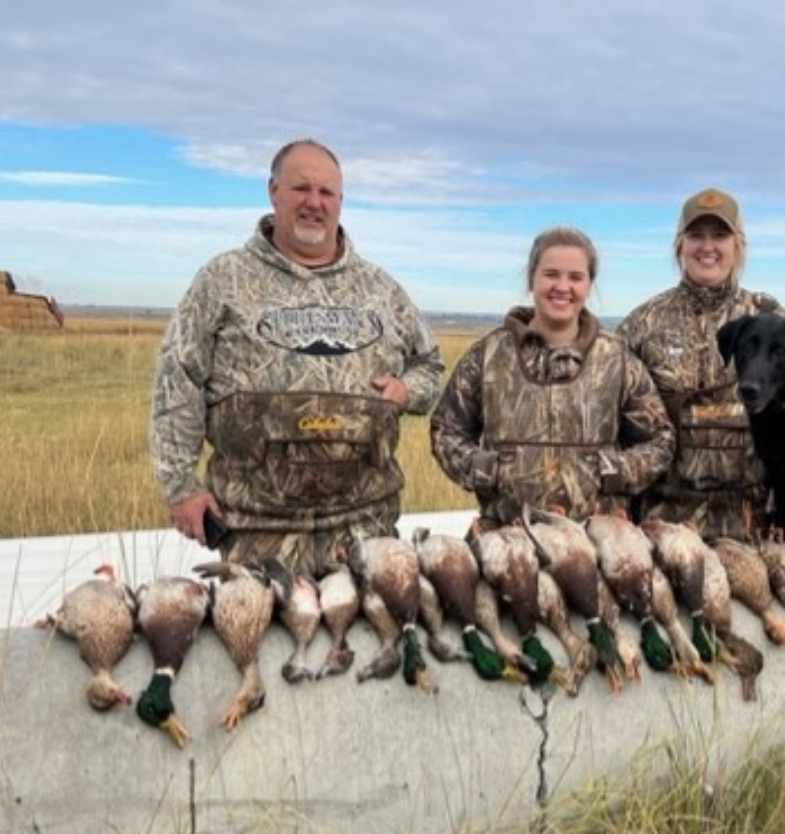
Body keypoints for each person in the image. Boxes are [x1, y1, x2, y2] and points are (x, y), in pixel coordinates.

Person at [150, 138, 443, 574]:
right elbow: (179, 379)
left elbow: (430, 367)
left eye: (326, 193)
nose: (314, 203)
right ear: (273, 191)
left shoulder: (380, 289)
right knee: (261, 641)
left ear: (340, 202)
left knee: (372, 641)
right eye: (301, 189)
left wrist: (406, 390)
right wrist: (180, 486)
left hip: (366, 529)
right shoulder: (223, 280)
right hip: (257, 535)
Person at [429, 226, 674, 525]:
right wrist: (488, 470)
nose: (562, 286)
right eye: (551, 274)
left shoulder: (618, 361)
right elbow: (446, 430)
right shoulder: (488, 356)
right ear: (532, 278)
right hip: (509, 540)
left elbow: (660, 440)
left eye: (575, 277)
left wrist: (614, 471)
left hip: (599, 545)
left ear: (589, 284)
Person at [618, 188, 785, 542]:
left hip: (752, 523)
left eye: (720, 235)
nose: (707, 247)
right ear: (679, 245)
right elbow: (614, 425)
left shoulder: (775, 323)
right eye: (696, 235)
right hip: (659, 528)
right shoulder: (641, 324)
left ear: (738, 244)